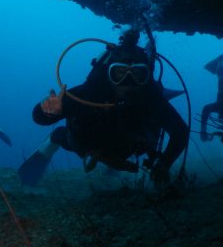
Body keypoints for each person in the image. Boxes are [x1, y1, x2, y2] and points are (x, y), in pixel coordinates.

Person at [18, 28, 189, 188]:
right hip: (90, 143)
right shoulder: (89, 92)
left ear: (146, 76)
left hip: (128, 145)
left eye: (137, 74)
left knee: (140, 140)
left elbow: (180, 132)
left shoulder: (151, 98)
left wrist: (164, 164)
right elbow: (39, 118)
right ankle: (54, 139)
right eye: (119, 73)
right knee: (71, 141)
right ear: (109, 74)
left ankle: (114, 164)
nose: (128, 81)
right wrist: (47, 111)